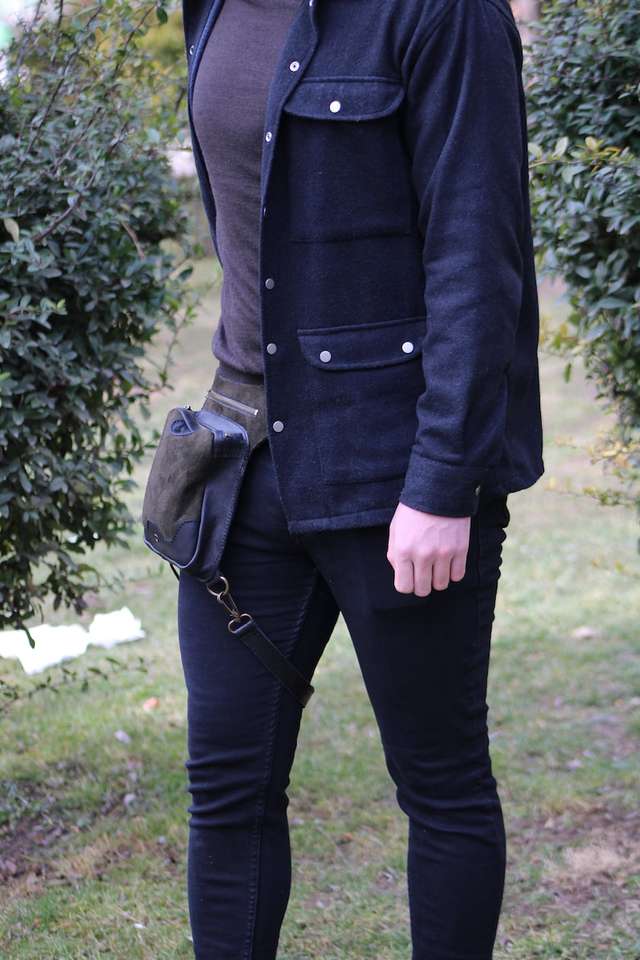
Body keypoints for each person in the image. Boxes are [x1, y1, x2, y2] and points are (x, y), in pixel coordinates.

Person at [177, 0, 545, 956]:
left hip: (395, 470)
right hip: (241, 457)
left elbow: (478, 252)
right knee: (226, 788)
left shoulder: (443, 13)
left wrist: (444, 483)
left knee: (440, 783)